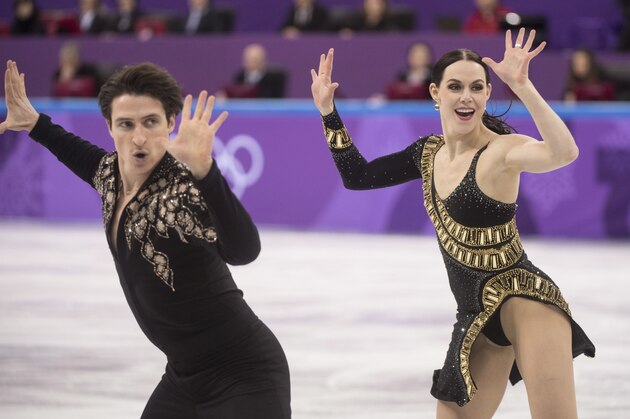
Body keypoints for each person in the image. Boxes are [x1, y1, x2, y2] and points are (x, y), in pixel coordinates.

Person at [310, 28, 594, 418]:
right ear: (435, 93)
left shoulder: (500, 152)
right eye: (456, 86)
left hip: (527, 304)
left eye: (477, 87)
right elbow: (358, 176)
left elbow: (564, 152)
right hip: (474, 315)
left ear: (488, 94)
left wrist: (523, 87)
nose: (466, 96)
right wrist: (328, 112)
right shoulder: (428, 153)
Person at [1, 60, 291, 418]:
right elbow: (80, 154)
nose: (138, 137)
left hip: (244, 374)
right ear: (109, 127)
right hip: (183, 378)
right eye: (125, 124)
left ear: (171, 123)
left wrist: (205, 171)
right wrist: (35, 124)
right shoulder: (110, 173)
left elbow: (245, 251)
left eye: (150, 122)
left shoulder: (182, 190)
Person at [221, 44, 287, 98]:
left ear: (263, 59)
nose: (250, 62)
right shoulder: (240, 76)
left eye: (254, 59)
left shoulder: (273, 78)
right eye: (248, 58)